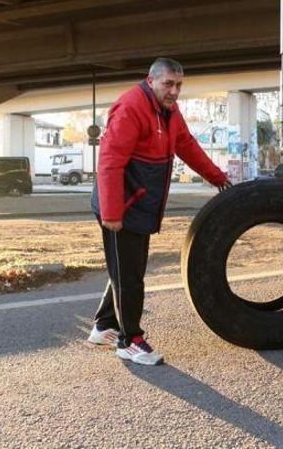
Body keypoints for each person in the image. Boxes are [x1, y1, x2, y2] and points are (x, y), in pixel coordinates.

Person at [88, 57, 232, 366]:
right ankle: (129, 341)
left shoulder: (169, 111)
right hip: (121, 208)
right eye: (168, 84)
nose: (174, 91)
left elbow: (187, 145)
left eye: (179, 84)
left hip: (140, 205)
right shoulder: (131, 108)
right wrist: (112, 213)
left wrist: (217, 177)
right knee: (130, 276)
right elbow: (110, 162)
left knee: (127, 270)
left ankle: (103, 326)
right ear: (151, 80)